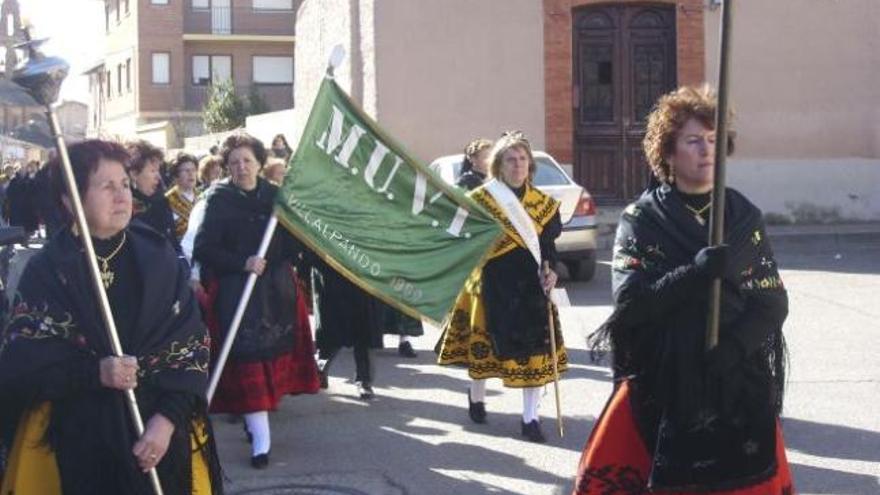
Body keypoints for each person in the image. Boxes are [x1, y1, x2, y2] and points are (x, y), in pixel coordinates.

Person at [572, 85, 792, 494]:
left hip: (735, 379)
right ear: (668, 153)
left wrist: (734, 347)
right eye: (693, 141)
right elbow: (631, 304)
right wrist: (694, 272)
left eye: (712, 140)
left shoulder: (742, 215)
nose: (706, 150)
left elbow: (772, 301)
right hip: (662, 382)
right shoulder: (642, 218)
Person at [0, 139, 222, 494]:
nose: (122, 196)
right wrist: (95, 372)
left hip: (159, 431)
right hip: (76, 439)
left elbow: (190, 343)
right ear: (71, 200)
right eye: (106, 186)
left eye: (124, 184)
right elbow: (23, 362)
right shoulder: (49, 269)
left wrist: (166, 422)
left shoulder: (157, 255)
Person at [193, 133, 319, 469]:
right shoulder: (218, 198)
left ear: (260, 163)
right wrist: (242, 262)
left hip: (276, 292)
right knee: (247, 363)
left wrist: (277, 250)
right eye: (234, 162)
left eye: (247, 160)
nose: (241, 167)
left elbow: (295, 245)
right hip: (238, 293)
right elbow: (204, 248)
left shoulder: (276, 197)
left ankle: (255, 422)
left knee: (271, 364)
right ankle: (261, 441)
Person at [437, 131, 566, 443]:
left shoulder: (544, 204)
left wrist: (553, 272)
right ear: (498, 165)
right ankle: (477, 395)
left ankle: (530, 419)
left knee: (534, 351)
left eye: (523, 159)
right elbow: (462, 241)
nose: (518, 165)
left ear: (530, 165)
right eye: (511, 159)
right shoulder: (480, 201)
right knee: (487, 350)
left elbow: (548, 247)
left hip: (531, 287)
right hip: (490, 283)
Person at [310, 259, 383, 400]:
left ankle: (364, 381)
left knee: (365, 327)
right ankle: (320, 370)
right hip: (333, 267)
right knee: (331, 327)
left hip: (365, 268)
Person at [126, 140, 179, 251]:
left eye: (158, 170)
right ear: (134, 174)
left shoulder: (161, 201)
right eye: (153, 171)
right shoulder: (124, 206)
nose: (158, 177)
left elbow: (173, 242)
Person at [165, 153, 200, 242]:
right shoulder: (167, 201)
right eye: (186, 170)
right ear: (176, 175)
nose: (191, 174)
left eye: (193, 170)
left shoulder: (203, 196)